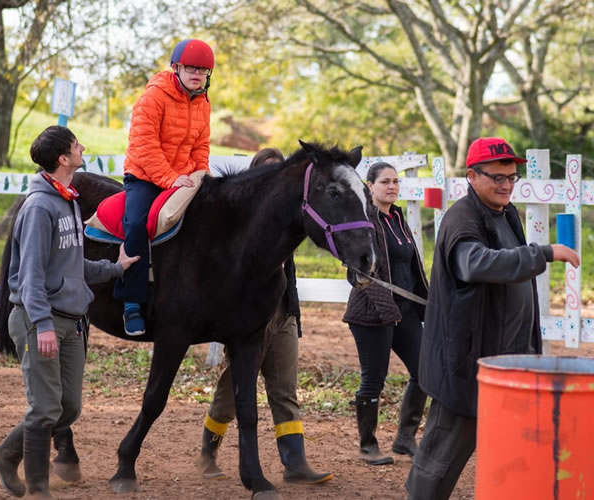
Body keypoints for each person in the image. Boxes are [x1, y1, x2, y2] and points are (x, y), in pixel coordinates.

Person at [405, 137, 580, 500]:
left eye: (511, 178)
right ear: (471, 176)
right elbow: (475, 263)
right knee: (439, 459)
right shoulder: (461, 219)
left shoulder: (505, 212)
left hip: (507, 360)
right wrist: (545, 252)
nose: (505, 185)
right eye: (496, 177)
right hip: (467, 362)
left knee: (511, 449)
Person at [0, 125, 138, 500]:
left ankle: (6, 454)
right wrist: (41, 325)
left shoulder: (68, 200)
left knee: (68, 406)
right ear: (63, 158)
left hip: (71, 320)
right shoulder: (40, 208)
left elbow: (73, 263)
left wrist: (117, 268)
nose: (82, 148)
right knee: (44, 408)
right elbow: (32, 276)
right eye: (76, 145)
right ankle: (38, 488)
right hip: (41, 319)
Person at [195, 148, 332, 485]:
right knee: (230, 396)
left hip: (283, 313)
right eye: (268, 173)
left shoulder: (289, 221)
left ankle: (295, 464)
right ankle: (207, 451)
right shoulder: (240, 226)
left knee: (285, 390)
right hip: (245, 321)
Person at [114, 38, 214, 336]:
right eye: (191, 68)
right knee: (136, 224)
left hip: (182, 176)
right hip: (144, 175)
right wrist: (169, 178)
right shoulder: (152, 98)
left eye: (204, 70)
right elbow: (144, 146)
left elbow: (201, 146)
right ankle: (131, 302)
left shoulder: (203, 103)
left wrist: (200, 175)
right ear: (176, 68)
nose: (197, 74)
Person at [342, 162, 429, 466]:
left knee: (424, 371)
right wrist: (387, 306)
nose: (392, 187)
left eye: (395, 182)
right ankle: (368, 446)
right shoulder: (362, 221)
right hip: (371, 313)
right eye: (384, 182)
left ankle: (405, 438)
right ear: (369, 187)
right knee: (373, 380)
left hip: (404, 312)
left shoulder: (398, 218)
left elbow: (413, 267)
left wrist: (427, 307)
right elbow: (356, 273)